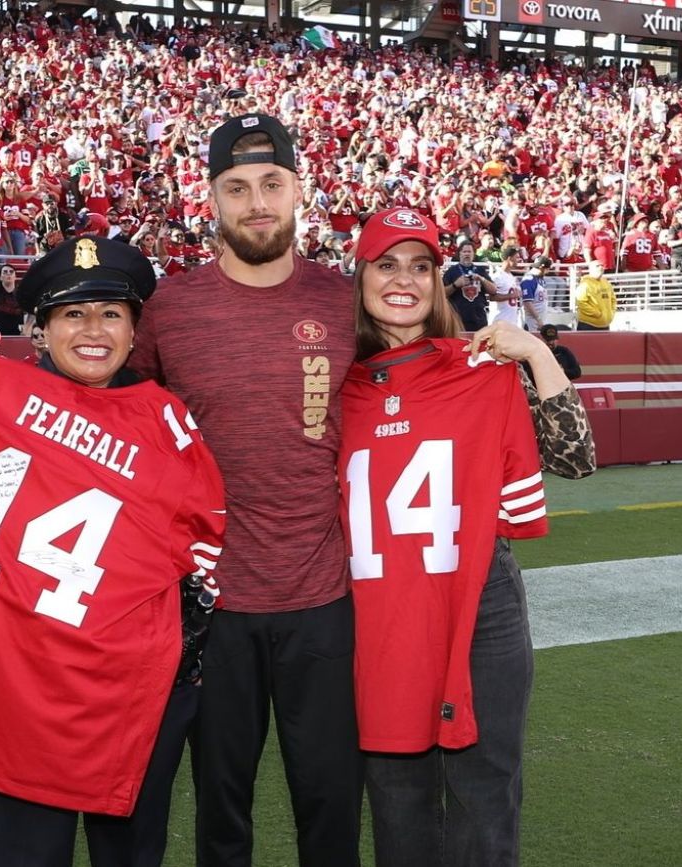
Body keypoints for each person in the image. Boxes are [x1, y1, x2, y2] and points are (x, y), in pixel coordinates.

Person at [0, 236, 226, 867]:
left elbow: (206, 551)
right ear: (39, 326)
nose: (94, 330)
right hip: (13, 681)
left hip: (129, 685)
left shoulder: (165, 420)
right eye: (72, 314)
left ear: (136, 330)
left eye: (112, 313)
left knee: (132, 855)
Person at [129, 113, 363, 867]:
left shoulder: (344, 300)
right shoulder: (170, 307)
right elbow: (115, 420)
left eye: (271, 184)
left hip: (323, 597)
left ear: (298, 191)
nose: (256, 202)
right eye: (237, 188)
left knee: (329, 797)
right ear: (211, 199)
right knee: (220, 804)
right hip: (211, 604)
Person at [338, 207, 594, 867]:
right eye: (387, 264)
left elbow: (575, 458)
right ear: (360, 275)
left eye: (420, 266)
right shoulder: (332, 386)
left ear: (437, 280)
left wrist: (535, 349)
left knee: (485, 794)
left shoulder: (480, 365)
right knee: (397, 793)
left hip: (480, 598)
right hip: (378, 606)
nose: (404, 280)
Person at [443, 240, 492, 331]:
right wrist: (455, 285)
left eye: (469, 251)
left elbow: (493, 290)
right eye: (464, 251)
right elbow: (442, 293)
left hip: (479, 319)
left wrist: (482, 279)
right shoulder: (451, 271)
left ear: (473, 254)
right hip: (458, 320)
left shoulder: (480, 270)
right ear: (459, 254)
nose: (467, 254)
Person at [574, 260, 616, 331]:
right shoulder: (585, 284)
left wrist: (611, 312)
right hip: (588, 325)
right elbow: (581, 303)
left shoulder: (606, 283)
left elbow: (613, 299)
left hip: (605, 325)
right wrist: (597, 314)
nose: (600, 267)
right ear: (591, 269)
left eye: (602, 265)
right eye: (597, 266)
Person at [519, 255, 551, 331]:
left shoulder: (540, 278)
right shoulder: (528, 280)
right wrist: (538, 319)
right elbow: (527, 302)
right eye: (547, 269)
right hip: (531, 320)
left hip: (540, 317)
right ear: (541, 268)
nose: (548, 271)